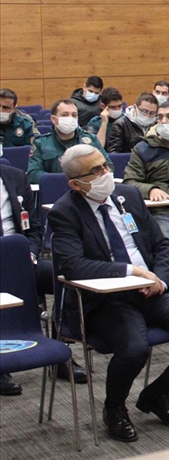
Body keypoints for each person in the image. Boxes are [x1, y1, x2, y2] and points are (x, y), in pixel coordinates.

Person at [49, 144, 169, 442]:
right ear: (75, 184)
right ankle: (114, 407)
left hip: (150, 291)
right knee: (134, 350)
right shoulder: (65, 212)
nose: (106, 173)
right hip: (106, 301)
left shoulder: (128, 196)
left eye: (105, 165)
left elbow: (160, 246)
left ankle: (156, 394)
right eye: (95, 171)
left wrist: (159, 279)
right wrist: (131, 271)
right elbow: (73, 265)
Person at [0, 160, 88, 393]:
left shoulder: (16, 176)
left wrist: (29, 253)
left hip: (20, 259)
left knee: (67, 277)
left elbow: (34, 227)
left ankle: (61, 348)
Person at [122, 101, 169, 255]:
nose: (163, 121)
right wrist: (150, 189)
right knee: (167, 250)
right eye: (160, 117)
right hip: (163, 211)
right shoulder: (143, 149)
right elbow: (129, 182)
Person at [27, 100, 110, 184]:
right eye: (64, 115)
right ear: (53, 119)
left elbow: (109, 166)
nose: (70, 118)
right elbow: (33, 174)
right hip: (54, 188)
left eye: (74, 115)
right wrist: (66, 180)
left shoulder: (90, 139)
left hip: (87, 187)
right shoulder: (40, 143)